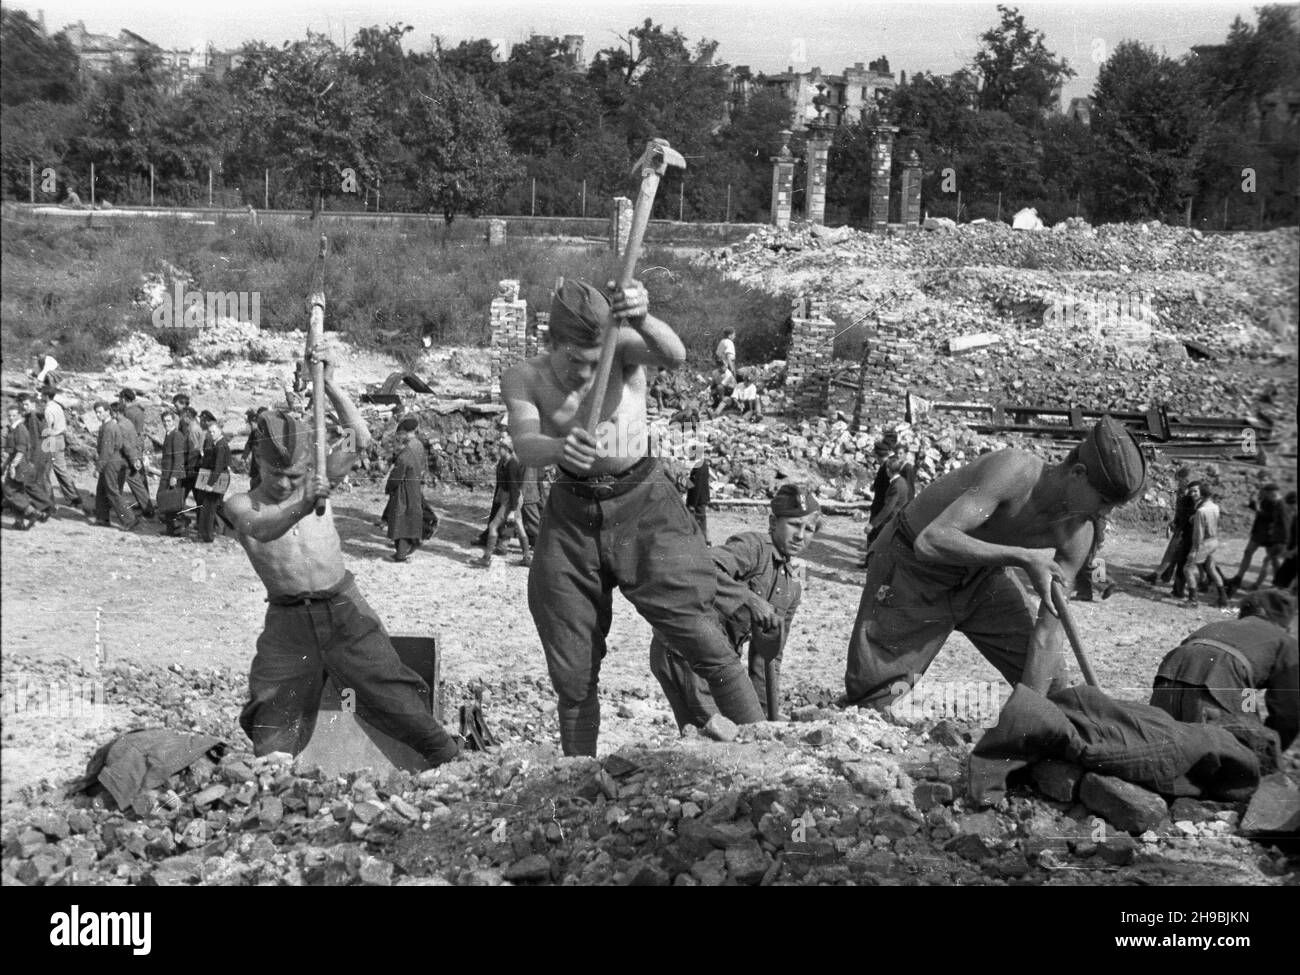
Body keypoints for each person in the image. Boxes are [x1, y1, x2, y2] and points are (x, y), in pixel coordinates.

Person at [501, 278, 766, 755]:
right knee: (572, 662)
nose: (589, 373)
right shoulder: (525, 377)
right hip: (572, 514)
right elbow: (525, 443)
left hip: (644, 503)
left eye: (597, 360)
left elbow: (676, 355)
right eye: (579, 362)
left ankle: (766, 749)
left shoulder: (623, 346)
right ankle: (578, 775)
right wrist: (560, 447)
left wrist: (642, 315)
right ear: (554, 344)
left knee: (700, 635)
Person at [222, 336, 460, 767]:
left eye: (296, 475)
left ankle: (451, 762)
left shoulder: (317, 472)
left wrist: (329, 385)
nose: (286, 483)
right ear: (257, 458)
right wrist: (303, 498)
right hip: (288, 620)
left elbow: (360, 437)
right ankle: (272, 781)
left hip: (344, 608)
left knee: (394, 694)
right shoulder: (242, 503)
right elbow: (264, 529)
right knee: (271, 706)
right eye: (278, 475)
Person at [842, 415, 1146, 709]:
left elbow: (1048, 632)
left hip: (982, 577)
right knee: (874, 696)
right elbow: (932, 541)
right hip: (911, 564)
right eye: (1103, 503)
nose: (1104, 515)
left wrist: (1031, 714)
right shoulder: (1015, 471)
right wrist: (1022, 557)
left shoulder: (1079, 534)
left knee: (1051, 694)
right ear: (1077, 474)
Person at [651, 484, 819, 728]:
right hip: (684, 652)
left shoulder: (792, 585)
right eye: (794, 524)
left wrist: (765, 721)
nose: (800, 536)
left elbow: (769, 657)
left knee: (744, 730)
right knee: (713, 733)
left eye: (809, 529)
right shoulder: (754, 547)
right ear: (773, 522)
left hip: (719, 663)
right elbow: (703, 565)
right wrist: (750, 600)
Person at [1150, 589, 1297, 773]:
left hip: (1169, 679)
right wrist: (1270, 751)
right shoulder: (1285, 642)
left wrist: (1252, 719)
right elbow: (1289, 713)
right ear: (1284, 622)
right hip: (1220, 681)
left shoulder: (1217, 626)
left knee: (1163, 756)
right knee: (1229, 770)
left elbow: (1246, 690)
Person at [479, 437, 532, 567]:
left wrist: (512, 511)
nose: (498, 450)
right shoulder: (507, 462)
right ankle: (527, 557)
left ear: (507, 449)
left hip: (511, 500)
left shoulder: (512, 464)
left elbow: (514, 488)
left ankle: (486, 558)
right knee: (519, 527)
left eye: (500, 448)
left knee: (493, 526)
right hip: (511, 498)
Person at [1228, 483, 1288, 595]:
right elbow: (1259, 508)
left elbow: (1273, 518)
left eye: (1265, 492)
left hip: (1270, 535)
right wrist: (1252, 503)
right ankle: (1239, 578)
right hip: (1259, 532)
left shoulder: (1280, 504)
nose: (1263, 494)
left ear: (1272, 492)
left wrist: (1257, 510)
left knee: (1272, 560)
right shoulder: (1267, 499)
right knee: (1248, 552)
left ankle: (1277, 584)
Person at [383, 416, 428, 562]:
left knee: (399, 520)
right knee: (411, 516)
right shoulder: (419, 445)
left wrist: (389, 487)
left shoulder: (406, 453)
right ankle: (415, 540)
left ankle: (401, 553)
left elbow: (397, 475)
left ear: (405, 433)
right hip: (415, 485)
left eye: (401, 434)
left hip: (403, 489)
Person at [1144, 466, 1193, 593]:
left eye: (1180, 481)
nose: (1178, 484)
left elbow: (1187, 513)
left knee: (1172, 553)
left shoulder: (1188, 495)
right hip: (1181, 526)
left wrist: (1179, 523)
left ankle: (1157, 576)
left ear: (1185, 480)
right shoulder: (1182, 492)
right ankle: (1165, 575)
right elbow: (1179, 511)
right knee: (1174, 553)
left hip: (1185, 529)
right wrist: (1175, 521)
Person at [92, 401, 139, 531]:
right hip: (111, 460)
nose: (98, 415)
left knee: (112, 491)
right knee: (101, 490)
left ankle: (129, 519)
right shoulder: (108, 425)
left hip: (111, 462)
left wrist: (98, 468)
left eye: (100, 412)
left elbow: (106, 450)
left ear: (108, 412)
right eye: (96, 412)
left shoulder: (109, 427)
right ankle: (102, 518)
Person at [1183, 480, 1228, 608]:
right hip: (1214, 541)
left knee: (1188, 569)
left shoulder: (1201, 511)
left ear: (1202, 495)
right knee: (1211, 568)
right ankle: (1223, 598)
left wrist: (1194, 550)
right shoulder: (1215, 507)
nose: (1193, 494)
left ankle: (1193, 600)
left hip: (1204, 543)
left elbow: (1198, 534)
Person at [40, 387, 82, 507]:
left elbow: (47, 428)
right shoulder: (57, 405)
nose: (41, 396)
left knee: (44, 471)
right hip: (60, 438)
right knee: (61, 470)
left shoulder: (48, 409)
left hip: (51, 440)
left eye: (42, 394)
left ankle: (48, 500)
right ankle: (73, 497)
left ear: (46, 396)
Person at [3, 403, 43, 530]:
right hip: (14, 462)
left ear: (19, 415)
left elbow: (20, 450)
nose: (11, 417)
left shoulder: (20, 429)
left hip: (19, 464)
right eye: (9, 415)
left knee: (9, 491)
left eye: (14, 415)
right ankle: (19, 521)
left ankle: (31, 511)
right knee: (17, 491)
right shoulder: (13, 428)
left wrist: (13, 467)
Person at [195, 411, 231, 544]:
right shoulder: (218, 444)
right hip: (218, 476)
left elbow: (218, 466)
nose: (211, 434)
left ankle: (208, 536)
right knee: (210, 506)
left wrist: (210, 484)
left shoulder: (220, 445)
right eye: (210, 432)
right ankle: (206, 533)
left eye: (214, 432)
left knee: (210, 507)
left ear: (220, 432)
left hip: (219, 477)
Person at [17, 394, 54, 520]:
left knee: (36, 481)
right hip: (45, 451)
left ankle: (45, 508)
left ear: (32, 404)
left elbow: (34, 440)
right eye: (23, 405)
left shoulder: (32, 417)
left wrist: (32, 460)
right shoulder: (35, 415)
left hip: (39, 453)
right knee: (42, 480)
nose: (24, 407)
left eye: (27, 404)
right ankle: (47, 506)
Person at [118, 388, 154, 519]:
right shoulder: (139, 409)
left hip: (132, 444)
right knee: (139, 475)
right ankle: (145, 502)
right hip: (139, 442)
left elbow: (127, 431)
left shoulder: (128, 412)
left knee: (132, 475)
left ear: (123, 398)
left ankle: (145, 505)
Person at [156, 410, 190, 535]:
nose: (166, 423)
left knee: (171, 502)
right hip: (168, 473)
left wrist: (174, 476)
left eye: (169, 421)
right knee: (168, 502)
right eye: (164, 421)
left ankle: (176, 528)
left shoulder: (176, 435)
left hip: (172, 475)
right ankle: (172, 529)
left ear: (174, 421)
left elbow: (179, 457)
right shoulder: (169, 434)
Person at [1275, 491, 1297, 592]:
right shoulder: (1295, 517)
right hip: (1292, 554)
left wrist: (1291, 552)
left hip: (1294, 553)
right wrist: (1285, 550)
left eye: (1293, 506)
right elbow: (1291, 536)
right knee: (1281, 580)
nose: (1292, 509)